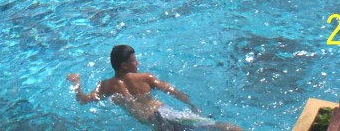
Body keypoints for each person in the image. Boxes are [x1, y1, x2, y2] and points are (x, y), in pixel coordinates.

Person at [67, 45, 243, 131]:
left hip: (150, 122)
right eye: (133, 60)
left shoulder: (105, 86)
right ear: (123, 65)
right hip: (164, 112)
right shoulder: (145, 77)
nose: (137, 63)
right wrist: (191, 105)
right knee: (213, 125)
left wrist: (77, 84)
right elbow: (172, 91)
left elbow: (83, 100)